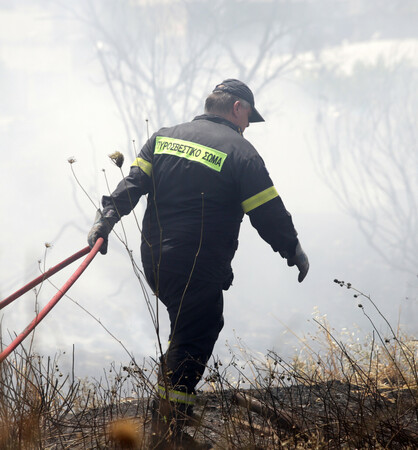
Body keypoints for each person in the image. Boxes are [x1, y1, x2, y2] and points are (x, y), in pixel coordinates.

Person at [88, 79, 309, 448]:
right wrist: (293, 249)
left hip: (156, 260)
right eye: (248, 119)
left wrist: (105, 218)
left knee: (187, 329)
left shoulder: (163, 137)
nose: (247, 127)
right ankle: (168, 433)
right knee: (198, 332)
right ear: (237, 108)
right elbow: (267, 213)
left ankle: (168, 415)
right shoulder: (242, 152)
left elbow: (132, 184)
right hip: (198, 262)